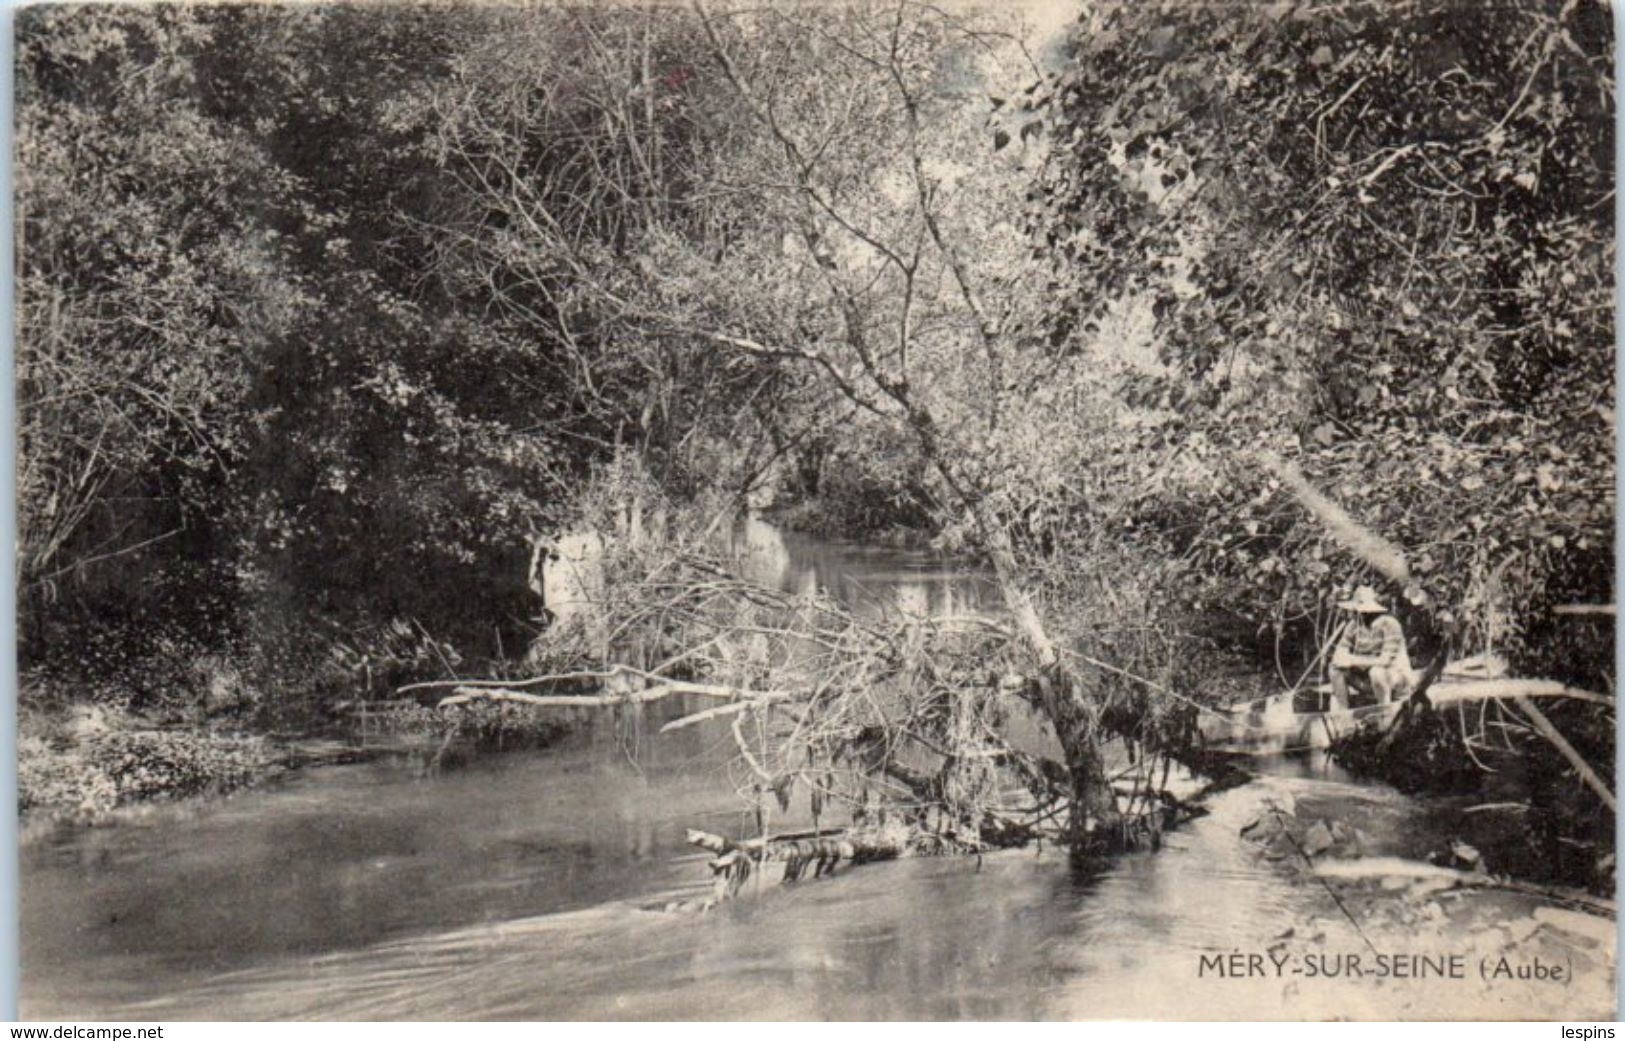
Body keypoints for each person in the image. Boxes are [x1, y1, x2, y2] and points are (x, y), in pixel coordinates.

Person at [1328, 585, 1411, 709]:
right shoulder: (1353, 625)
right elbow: (1339, 654)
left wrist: (1352, 660)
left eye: (1356, 610)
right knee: (1335, 669)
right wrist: (1343, 659)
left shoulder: (1389, 624)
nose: (1352, 613)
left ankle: (1384, 710)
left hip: (1394, 677)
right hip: (1368, 679)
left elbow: (1384, 660)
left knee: (1376, 672)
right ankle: (1344, 711)